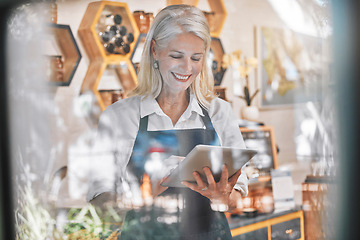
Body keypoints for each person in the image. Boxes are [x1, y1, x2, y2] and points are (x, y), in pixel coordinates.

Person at [87, 4, 248, 239]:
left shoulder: (219, 112)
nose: (187, 68)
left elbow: (237, 197)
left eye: (196, 58)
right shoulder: (119, 117)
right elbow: (99, 202)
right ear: (155, 50)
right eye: (176, 56)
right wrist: (140, 197)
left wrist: (224, 199)